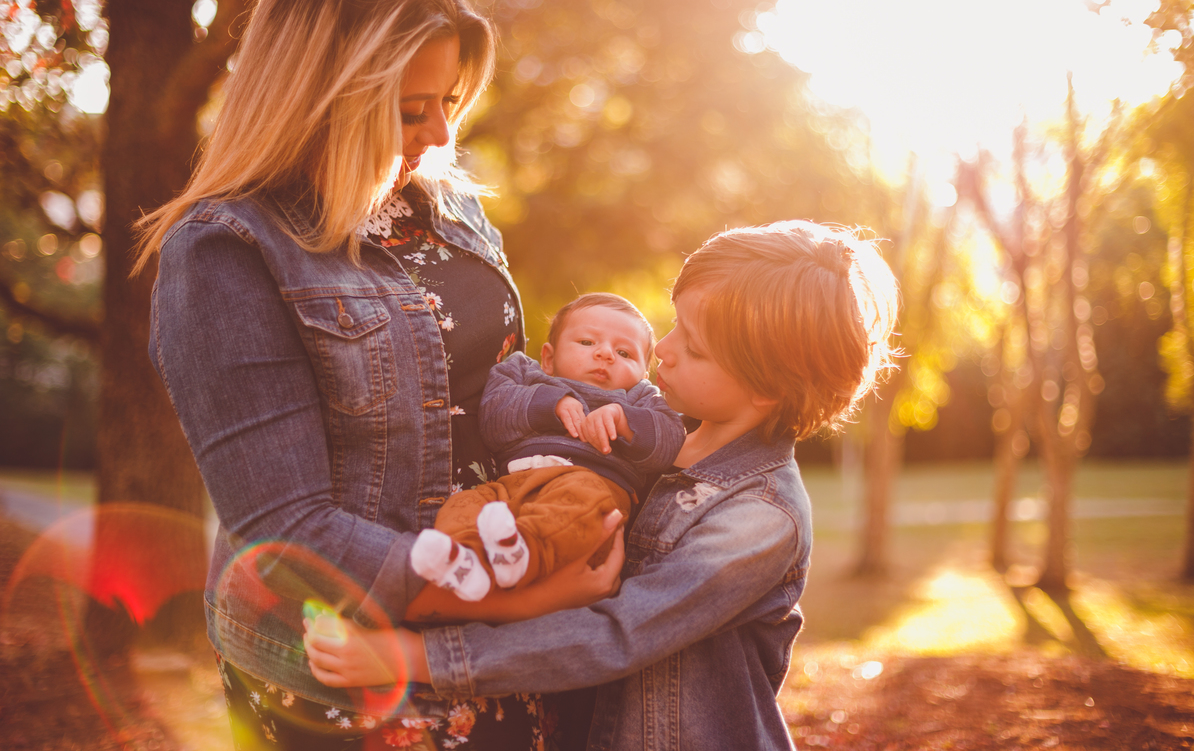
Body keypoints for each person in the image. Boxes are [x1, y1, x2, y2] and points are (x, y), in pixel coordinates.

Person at [136, 0, 619, 748]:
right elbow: (289, 532)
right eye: (410, 109)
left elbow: (493, 386)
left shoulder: (447, 203)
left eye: (450, 101)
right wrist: (524, 600)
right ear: (320, 97)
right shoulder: (227, 248)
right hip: (352, 662)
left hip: (497, 641)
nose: (441, 135)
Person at [304, 220, 900, 750]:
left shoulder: (760, 518)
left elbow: (617, 633)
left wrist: (416, 657)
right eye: (674, 325)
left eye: (693, 347)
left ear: (766, 387)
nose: (663, 351)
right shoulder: (649, 446)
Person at [409, 293, 685, 601]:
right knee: (466, 502)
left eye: (624, 352)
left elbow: (671, 440)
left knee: (580, 499)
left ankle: (521, 555)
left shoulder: (640, 398)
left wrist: (624, 420)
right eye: (587, 342)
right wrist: (548, 404)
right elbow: (493, 418)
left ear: (644, 375)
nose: (606, 354)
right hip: (511, 487)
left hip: (591, 491)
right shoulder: (524, 374)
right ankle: (467, 562)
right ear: (549, 359)